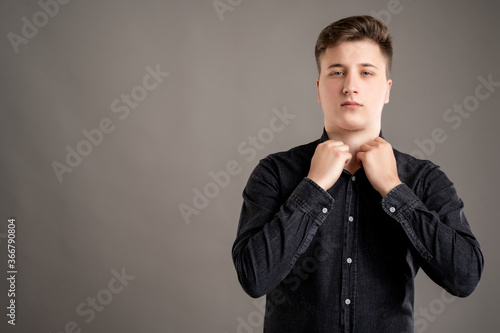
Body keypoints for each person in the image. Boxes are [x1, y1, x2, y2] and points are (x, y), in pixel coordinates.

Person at [231, 15, 484, 332]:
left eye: (366, 72)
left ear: (387, 89)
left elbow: (465, 277)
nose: (350, 86)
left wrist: (394, 191)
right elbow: (254, 278)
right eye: (337, 72)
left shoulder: (424, 179)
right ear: (320, 88)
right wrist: (314, 187)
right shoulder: (275, 172)